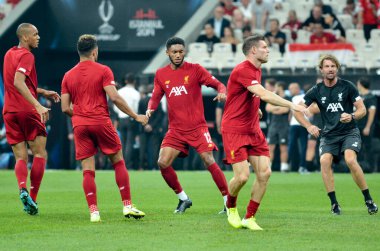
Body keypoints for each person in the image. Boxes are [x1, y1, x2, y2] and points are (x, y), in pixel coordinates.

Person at [221, 34, 305, 230]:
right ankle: (231, 207)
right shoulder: (243, 69)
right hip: (234, 129)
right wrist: (292, 105)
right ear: (253, 50)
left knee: (265, 173)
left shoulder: (257, 70)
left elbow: (248, 93)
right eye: (265, 47)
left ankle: (249, 217)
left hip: (252, 129)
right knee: (242, 177)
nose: (268, 50)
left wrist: (254, 107)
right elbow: (265, 94)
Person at [61, 34, 148, 222]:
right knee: (118, 161)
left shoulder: (68, 75)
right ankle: (127, 206)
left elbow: (65, 107)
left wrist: (80, 117)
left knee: (87, 169)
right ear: (95, 51)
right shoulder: (103, 70)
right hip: (101, 121)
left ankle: (94, 212)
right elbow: (115, 98)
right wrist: (135, 116)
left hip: (80, 125)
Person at [146, 37, 229, 214]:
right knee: (162, 162)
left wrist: (222, 92)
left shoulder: (195, 69)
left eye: (180, 51)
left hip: (198, 127)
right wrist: (149, 110)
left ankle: (228, 202)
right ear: (167, 53)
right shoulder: (161, 74)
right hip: (175, 130)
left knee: (208, 159)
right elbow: (155, 96)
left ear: (185, 52)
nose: (177, 55)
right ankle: (183, 199)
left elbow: (218, 84)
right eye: (174, 52)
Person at [293, 54, 378, 215]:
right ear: (321, 69)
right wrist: (308, 126)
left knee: (350, 159)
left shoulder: (348, 86)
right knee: (325, 161)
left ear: (337, 68)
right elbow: (297, 110)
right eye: (327, 66)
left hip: (349, 132)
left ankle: (368, 199)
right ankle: (334, 204)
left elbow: (362, 109)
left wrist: (352, 115)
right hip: (329, 135)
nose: (330, 69)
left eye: (333, 66)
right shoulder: (316, 90)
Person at [2, 23, 60, 215]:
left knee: (20, 156)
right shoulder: (27, 56)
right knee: (40, 154)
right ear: (25, 37)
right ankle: (33, 199)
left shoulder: (9, 54)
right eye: (35, 34)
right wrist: (38, 105)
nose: (38, 37)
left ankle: (22, 189)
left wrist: (43, 91)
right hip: (27, 111)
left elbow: (18, 84)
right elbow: (19, 82)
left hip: (10, 112)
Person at [113, 73, 140, 167]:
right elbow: (136, 109)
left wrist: (120, 113)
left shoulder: (119, 92)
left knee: (122, 143)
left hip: (121, 119)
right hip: (131, 119)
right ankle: (126, 164)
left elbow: (115, 107)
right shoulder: (136, 93)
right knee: (129, 143)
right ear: (135, 81)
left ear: (125, 81)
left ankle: (120, 163)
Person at [265, 81, 291, 172]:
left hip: (283, 126)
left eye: (276, 86)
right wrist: (277, 108)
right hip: (273, 125)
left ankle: (283, 167)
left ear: (280, 87)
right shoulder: (273, 97)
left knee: (283, 147)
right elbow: (268, 108)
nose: (275, 88)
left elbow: (285, 110)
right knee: (270, 146)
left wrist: (274, 109)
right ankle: (269, 166)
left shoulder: (287, 98)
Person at [356, 77, 377, 172]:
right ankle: (360, 167)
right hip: (357, 126)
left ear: (361, 84)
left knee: (368, 147)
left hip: (365, 127)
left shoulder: (371, 97)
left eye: (358, 84)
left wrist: (368, 127)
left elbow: (372, 112)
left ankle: (371, 168)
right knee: (357, 147)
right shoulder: (358, 97)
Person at [288, 82, 309, 174]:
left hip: (302, 125)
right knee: (296, 146)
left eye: (292, 88)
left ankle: (300, 166)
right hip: (297, 124)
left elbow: (292, 112)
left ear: (297, 89)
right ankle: (293, 165)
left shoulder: (304, 97)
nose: (290, 90)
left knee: (301, 146)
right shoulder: (296, 98)